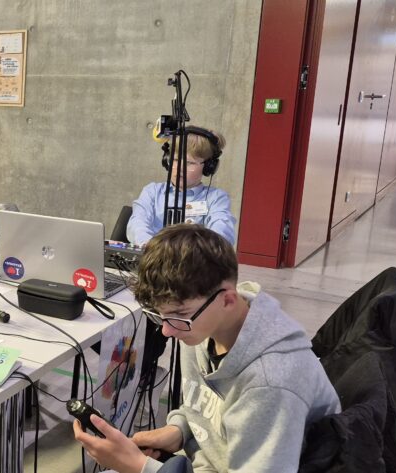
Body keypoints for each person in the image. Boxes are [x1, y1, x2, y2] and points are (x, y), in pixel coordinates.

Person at [73, 225, 341, 473]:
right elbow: (203, 409)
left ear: (228, 300)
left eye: (179, 315)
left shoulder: (270, 382)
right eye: (160, 315)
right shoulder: (202, 326)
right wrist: (179, 430)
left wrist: (140, 467)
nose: (167, 331)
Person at [127, 127, 236, 246]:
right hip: (153, 254)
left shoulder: (216, 198)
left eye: (189, 163)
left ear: (208, 167)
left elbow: (222, 232)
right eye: (175, 160)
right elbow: (137, 224)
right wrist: (152, 247)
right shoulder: (152, 192)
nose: (180, 168)